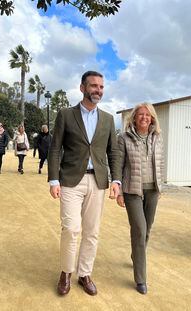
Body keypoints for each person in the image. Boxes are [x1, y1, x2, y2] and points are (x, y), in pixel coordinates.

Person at [48, 70, 120, 296]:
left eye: (101, 87)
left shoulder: (108, 119)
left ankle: (84, 274)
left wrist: (116, 179)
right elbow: (55, 148)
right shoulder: (65, 115)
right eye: (93, 86)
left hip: (98, 181)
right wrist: (53, 179)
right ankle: (66, 273)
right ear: (82, 88)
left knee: (92, 231)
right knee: (71, 229)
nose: (98, 90)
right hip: (70, 179)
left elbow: (113, 152)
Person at [116, 103, 164, 295]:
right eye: (141, 115)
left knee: (147, 229)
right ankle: (141, 279)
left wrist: (160, 187)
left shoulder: (158, 137)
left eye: (148, 115)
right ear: (134, 118)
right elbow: (118, 165)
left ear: (152, 118)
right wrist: (118, 191)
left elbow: (160, 163)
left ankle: (137, 255)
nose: (144, 117)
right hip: (132, 190)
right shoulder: (124, 138)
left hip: (153, 189)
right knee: (139, 229)